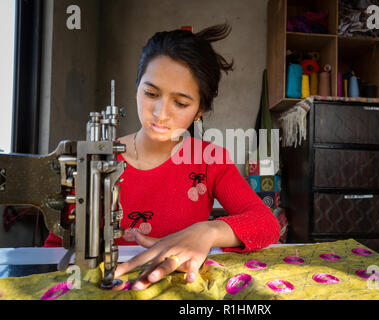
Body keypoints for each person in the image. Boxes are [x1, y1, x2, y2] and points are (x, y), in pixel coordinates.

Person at [44, 23, 280, 290]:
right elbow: (55, 246)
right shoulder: (97, 158)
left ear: (200, 109)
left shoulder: (209, 160)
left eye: (180, 103)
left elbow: (266, 224)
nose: (160, 113)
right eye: (151, 93)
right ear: (137, 87)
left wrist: (207, 231)